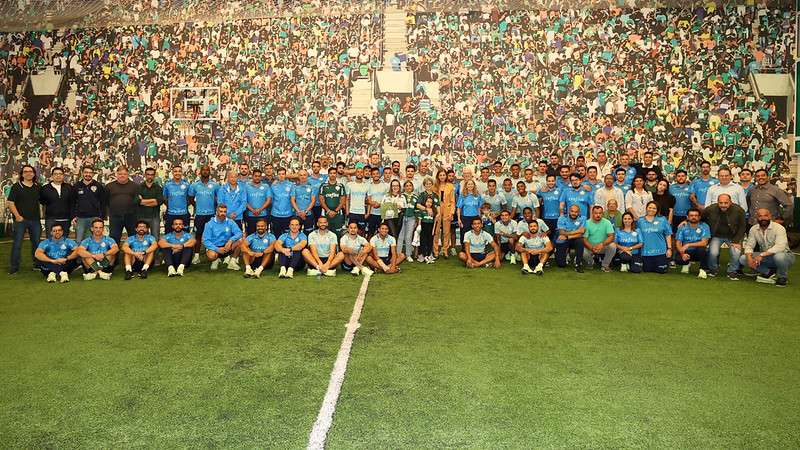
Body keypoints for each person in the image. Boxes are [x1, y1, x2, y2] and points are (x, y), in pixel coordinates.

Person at [740, 208, 795, 287]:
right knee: (743, 259)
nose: (763, 218)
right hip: (767, 257)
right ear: (757, 218)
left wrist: (762, 255)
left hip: (785, 256)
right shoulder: (753, 229)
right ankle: (769, 272)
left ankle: (782, 277)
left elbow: (780, 246)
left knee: (779, 256)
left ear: (770, 216)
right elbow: (749, 245)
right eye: (760, 216)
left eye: (765, 216)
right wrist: (749, 258)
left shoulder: (779, 228)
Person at [703, 194, 747, 279]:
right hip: (716, 236)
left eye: (726, 203)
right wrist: (686, 221)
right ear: (717, 202)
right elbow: (701, 218)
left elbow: (742, 226)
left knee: (736, 253)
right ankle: (713, 269)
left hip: (733, 237)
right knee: (713, 253)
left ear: (730, 202)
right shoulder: (710, 209)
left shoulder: (739, 210)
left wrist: (736, 240)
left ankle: (732, 271)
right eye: (721, 203)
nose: (723, 205)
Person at [7, 164, 42, 275]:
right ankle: (14, 268)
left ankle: (37, 265)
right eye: (25, 171)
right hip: (20, 221)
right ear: (22, 174)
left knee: (36, 243)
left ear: (34, 174)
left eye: (30, 171)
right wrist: (18, 216)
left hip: (35, 221)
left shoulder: (37, 187)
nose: (28, 173)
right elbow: (10, 203)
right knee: (17, 244)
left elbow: (42, 201)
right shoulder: (16, 187)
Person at [188, 165, 219, 264]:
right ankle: (196, 256)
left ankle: (215, 257)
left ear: (210, 172)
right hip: (200, 215)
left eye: (207, 170)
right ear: (200, 172)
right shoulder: (194, 185)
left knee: (213, 235)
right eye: (203, 170)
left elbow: (218, 200)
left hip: (212, 214)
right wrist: (198, 206)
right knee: (198, 235)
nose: (205, 171)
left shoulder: (215, 185)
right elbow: (191, 199)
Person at [106, 166, 140, 246]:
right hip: (115, 217)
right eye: (120, 174)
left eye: (124, 174)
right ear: (116, 174)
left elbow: (138, 202)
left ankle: (134, 257)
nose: (122, 175)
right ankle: (115, 258)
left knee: (133, 239)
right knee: (114, 239)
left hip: (131, 217)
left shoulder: (135, 186)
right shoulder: (109, 186)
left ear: (128, 174)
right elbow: (105, 201)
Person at [203, 204, 244, 271]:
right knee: (211, 256)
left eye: (225, 212)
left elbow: (239, 233)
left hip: (227, 246)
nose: (223, 213)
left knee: (241, 240)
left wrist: (230, 240)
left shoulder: (230, 222)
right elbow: (205, 241)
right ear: (216, 212)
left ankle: (232, 262)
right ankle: (215, 260)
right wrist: (217, 249)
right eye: (221, 211)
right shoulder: (209, 224)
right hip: (215, 247)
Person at [72, 165, 107, 242]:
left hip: (94, 218)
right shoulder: (76, 186)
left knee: (92, 240)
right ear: (82, 173)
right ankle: (80, 254)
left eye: (90, 172)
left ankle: (92, 254)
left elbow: (103, 202)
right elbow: (72, 202)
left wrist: (102, 217)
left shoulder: (98, 186)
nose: (88, 174)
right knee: (79, 240)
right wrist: (73, 216)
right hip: (80, 218)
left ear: (93, 174)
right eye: (86, 172)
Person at [636, 201, 672, 274]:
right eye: (650, 207)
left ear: (657, 210)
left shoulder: (662, 219)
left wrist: (669, 249)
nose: (651, 210)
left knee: (661, 270)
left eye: (654, 208)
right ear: (646, 208)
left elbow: (668, 234)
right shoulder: (640, 220)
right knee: (647, 270)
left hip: (660, 251)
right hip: (645, 252)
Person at [674, 208, 711, 279]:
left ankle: (703, 270)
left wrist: (688, 245)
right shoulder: (682, 227)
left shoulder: (704, 226)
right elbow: (678, 242)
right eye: (691, 215)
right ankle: (686, 264)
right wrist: (682, 254)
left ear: (699, 217)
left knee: (702, 250)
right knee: (678, 259)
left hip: (698, 251)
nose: (693, 217)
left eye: (696, 215)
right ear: (687, 217)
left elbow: (704, 243)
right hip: (687, 252)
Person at [40, 167, 74, 238]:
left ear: (63, 176)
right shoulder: (45, 188)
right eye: (56, 174)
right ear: (52, 176)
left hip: (65, 220)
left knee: (64, 243)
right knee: (50, 242)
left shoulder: (69, 187)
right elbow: (42, 202)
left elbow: (72, 203)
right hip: (51, 220)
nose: (58, 175)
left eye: (60, 174)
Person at [583, 205, 616, 272]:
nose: (598, 215)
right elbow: (584, 239)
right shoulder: (586, 223)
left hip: (602, 246)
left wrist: (602, 244)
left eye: (600, 213)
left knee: (613, 246)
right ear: (592, 213)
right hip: (590, 247)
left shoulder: (607, 222)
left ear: (602, 214)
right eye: (596, 213)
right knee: (581, 249)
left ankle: (605, 265)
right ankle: (590, 263)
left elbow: (611, 236)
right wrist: (591, 248)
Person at [555, 205, 586, 272]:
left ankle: (578, 264)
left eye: (576, 212)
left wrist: (568, 236)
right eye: (572, 211)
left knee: (580, 241)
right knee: (561, 264)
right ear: (569, 211)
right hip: (563, 239)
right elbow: (561, 232)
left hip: (573, 238)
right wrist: (577, 231)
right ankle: (562, 255)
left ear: (579, 212)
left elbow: (581, 234)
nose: (574, 213)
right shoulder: (562, 218)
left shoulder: (583, 218)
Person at [433, 169, 455, 258]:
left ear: (446, 176)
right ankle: (435, 251)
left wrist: (452, 213)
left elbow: (453, 201)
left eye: (443, 175)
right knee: (436, 231)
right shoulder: (435, 186)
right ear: (438, 176)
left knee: (446, 232)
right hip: (437, 210)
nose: (442, 177)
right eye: (440, 175)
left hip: (447, 210)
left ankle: (445, 250)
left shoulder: (450, 186)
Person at [319, 167, 347, 237]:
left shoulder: (340, 186)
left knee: (338, 233)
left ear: (336, 174)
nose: (332, 175)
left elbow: (343, 200)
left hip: (338, 214)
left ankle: (337, 247)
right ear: (328, 174)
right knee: (326, 233)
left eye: (334, 173)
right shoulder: (323, 186)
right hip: (326, 213)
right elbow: (321, 200)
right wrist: (328, 211)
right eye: (331, 173)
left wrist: (335, 211)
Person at [162, 165, 191, 234]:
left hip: (184, 214)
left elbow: (189, 198)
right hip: (170, 214)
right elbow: (164, 198)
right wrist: (170, 205)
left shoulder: (187, 184)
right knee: (168, 235)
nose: (177, 173)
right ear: (172, 173)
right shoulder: (167, 185)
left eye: (179, 171)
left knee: (185, 235)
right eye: (175, 171)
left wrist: (184, 206)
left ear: (182, 173)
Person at [137, 167, 163, 240]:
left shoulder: (158, 188)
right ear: (145, 175)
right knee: (142, 238)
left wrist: (143, 201)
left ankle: (155, 252)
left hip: (154, 216)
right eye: (148, 174)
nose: (150, 176)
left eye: (152, 175)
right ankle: (143, 251)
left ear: (154, 176)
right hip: (141, 216)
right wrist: (153, 201)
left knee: (155, 238)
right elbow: (137, 201)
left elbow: (158, 202)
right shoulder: (139, 187)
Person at [244, 169, 272, 235]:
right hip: (251, 215)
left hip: (263, 215)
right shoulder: (246, 186)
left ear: (261, 177)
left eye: (259, 176)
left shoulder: (266, 186)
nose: (257, 178)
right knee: (251, 235)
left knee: (263, 234)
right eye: (255, 176)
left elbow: (268, 200)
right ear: (252, 176)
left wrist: (260, 209)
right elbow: (244, 200)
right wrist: (252, 210)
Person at [270, 168, 295, 237]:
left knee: (287, 235)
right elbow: (271, 200)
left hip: (288, 214)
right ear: (277, 175)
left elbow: (293, 199)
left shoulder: (291, 185)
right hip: (275, 214)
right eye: (279, 174)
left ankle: (286, 248)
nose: (281, 176)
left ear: (285, 175)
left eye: (283, 174)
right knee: (276, 235)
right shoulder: (273, 185)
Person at [456, 180, 483, 245]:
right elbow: (459, 208)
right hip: (465, 218)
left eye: (472, 184)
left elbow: (479, 208)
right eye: (469, 184)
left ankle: (474, 249)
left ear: (474, 186)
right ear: (466, 186)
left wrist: (480, 218)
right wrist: (459, 219)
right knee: (464, 234)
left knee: (475, 234)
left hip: (475, 217)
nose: (470, 185)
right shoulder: (463, 195)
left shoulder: (478, 195)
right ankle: (464, 249)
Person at [291, 169, 317, 234]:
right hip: (297, 214)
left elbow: (313, 201)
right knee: (295, 233)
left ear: (307, 176)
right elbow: (292, 200)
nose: (303, 177)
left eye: (304, 175)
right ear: (298, 176)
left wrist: (305, 212)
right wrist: (299, 212)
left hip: (308, 214)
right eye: (301, 175)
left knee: (309, 233)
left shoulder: (312, 187)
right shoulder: (294, 187)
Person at [345, 164, 370, 232]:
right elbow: (347, 199)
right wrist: (347, 211)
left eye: (361, 172)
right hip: (352, 212)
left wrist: (367, 213)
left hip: (362, 213)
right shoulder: (349, 184)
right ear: (355, 173)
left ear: (363, 174)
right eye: (358, 172)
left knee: (361, 232)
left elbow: (369, 200)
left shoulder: (367, 186)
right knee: (351, 232)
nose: (359, 173)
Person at [397, 181, 418, 261]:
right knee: (400, 236)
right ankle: (398, 254)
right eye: (407, 186)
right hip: (402, 217)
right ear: (404, 187)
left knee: (409, 237)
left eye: (410, 186)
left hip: (411, 218)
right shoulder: (401, 196)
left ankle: (408, 254)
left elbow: (417, 209)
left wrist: (416, 220)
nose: (408, 187)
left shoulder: (416, 197)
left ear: (412, 187)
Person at [366, 167, 389, 237]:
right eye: (373, 174)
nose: (375, 175)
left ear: (380, 174)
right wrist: (372, 203)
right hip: (372, 214)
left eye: (377, 173)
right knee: (370, 233)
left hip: (382, 214)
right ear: (371, 175)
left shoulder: (385, 186)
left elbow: (388, 200)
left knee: (383, 233)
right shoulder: (369, 186)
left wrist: (380, 204)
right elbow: (367, 199)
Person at [416, 195, 437, 263]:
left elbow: (434, 222)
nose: (429, 203)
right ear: (425, 202)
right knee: (423, 242)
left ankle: (429, 255)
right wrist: (419, 227)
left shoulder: (434, 211)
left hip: (430, 228)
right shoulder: (422, 211)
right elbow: (419, 220)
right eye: (427, 202)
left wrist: (433, 230)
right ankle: (422, 255)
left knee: (430, 242)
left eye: (431, 202)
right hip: (423, 228)